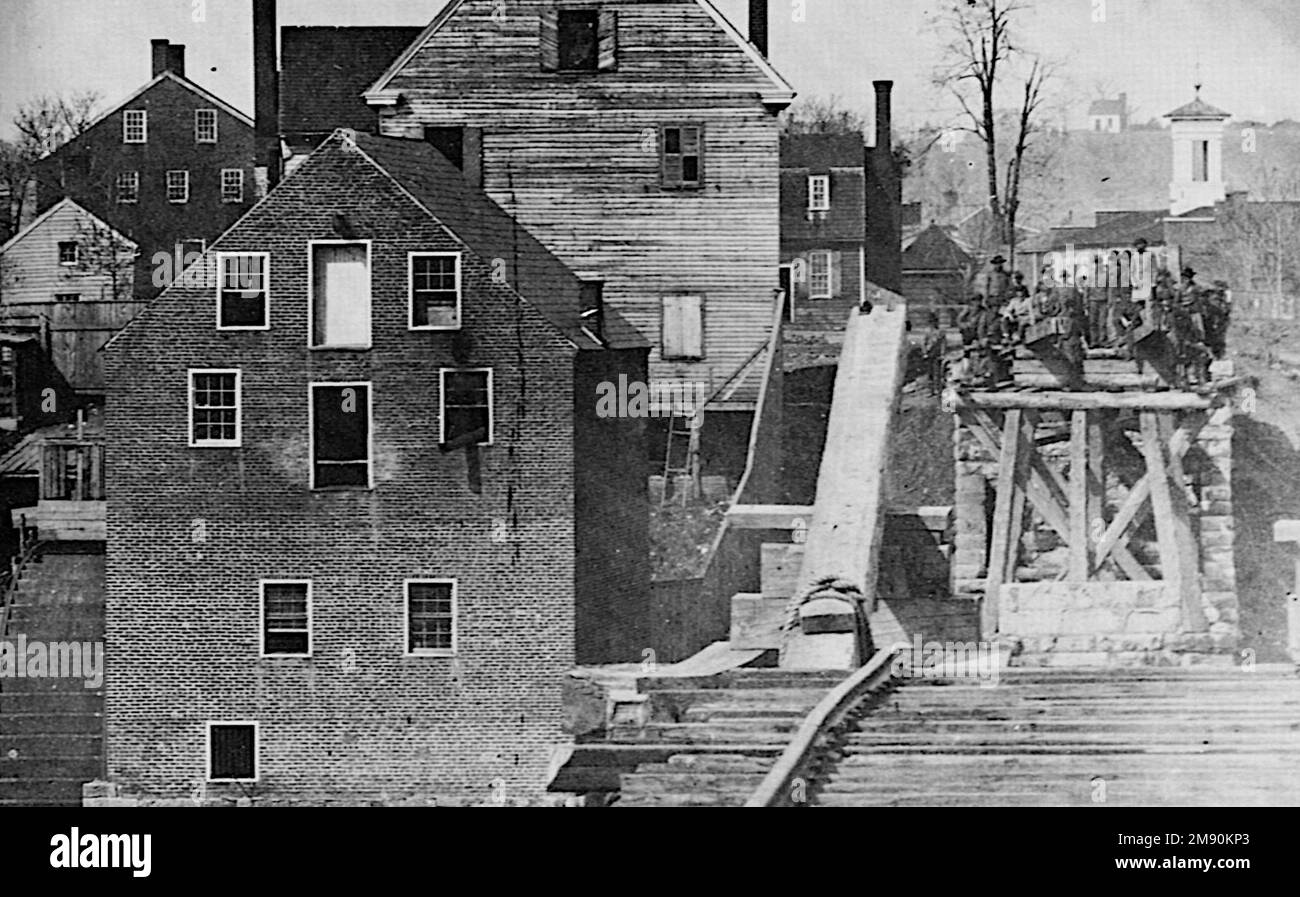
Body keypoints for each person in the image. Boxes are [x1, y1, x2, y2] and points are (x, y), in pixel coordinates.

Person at [922, 312, 947, 396]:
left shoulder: (940, 331)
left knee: (938, 373)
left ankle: (938, 389)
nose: (933, 324)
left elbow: (943, 343)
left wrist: (943, 353)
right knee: (930, 373)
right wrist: (925, 352)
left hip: (937, 354)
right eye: (931, 322)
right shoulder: (927, 331)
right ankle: (930, 390)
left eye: (935, 322)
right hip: (930, 353)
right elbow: (924, 342)